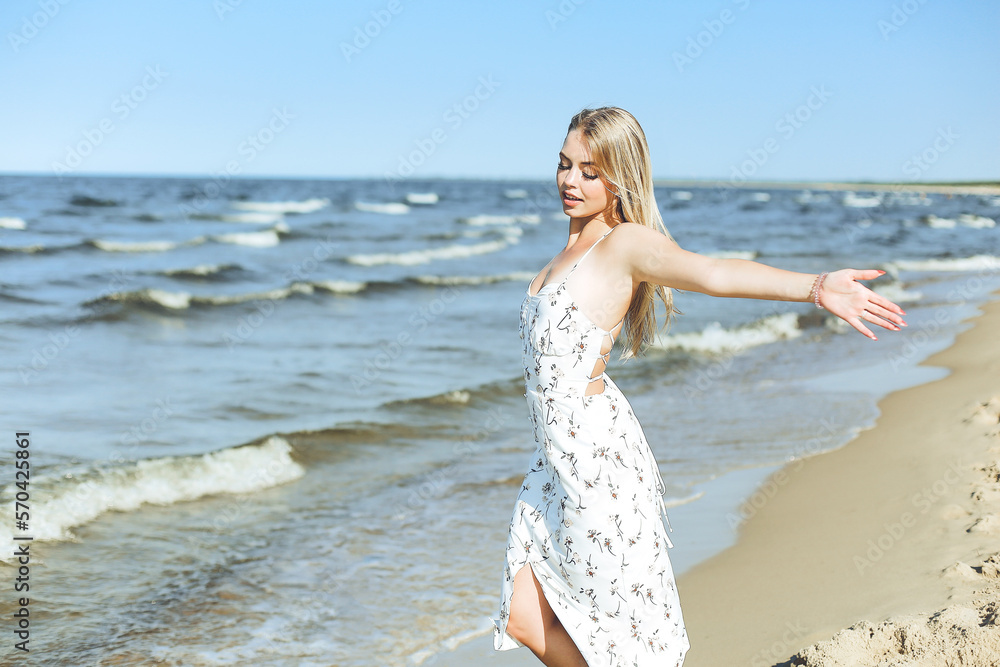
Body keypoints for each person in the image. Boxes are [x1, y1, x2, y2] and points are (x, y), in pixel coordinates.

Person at [491, 107, 907, 667]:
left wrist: (814, 287)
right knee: (523, 614)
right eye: (565, 165)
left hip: (596, 463)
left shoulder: (624, 244)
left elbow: (713, 273)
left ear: (621, 178)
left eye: (591, 171)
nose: (570, 181)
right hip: (551, 460)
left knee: (619, 633)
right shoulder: (565, 253)